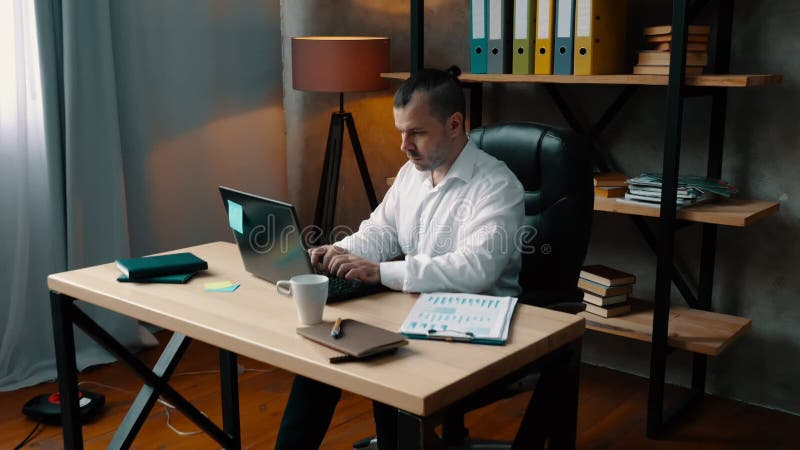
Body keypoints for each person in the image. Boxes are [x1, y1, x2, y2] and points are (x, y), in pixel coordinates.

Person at [274, 66, 525, 450]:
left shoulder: (496, 185)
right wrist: (342, 253)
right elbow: (381, 231)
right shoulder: (412, 174)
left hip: (473, 326)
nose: (404, 146)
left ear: (455, 124)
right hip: (412, 309)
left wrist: (380, 272)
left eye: (417, 133)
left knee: (384, 363)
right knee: (323, 355)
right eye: (401, 133)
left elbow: (477, 269)